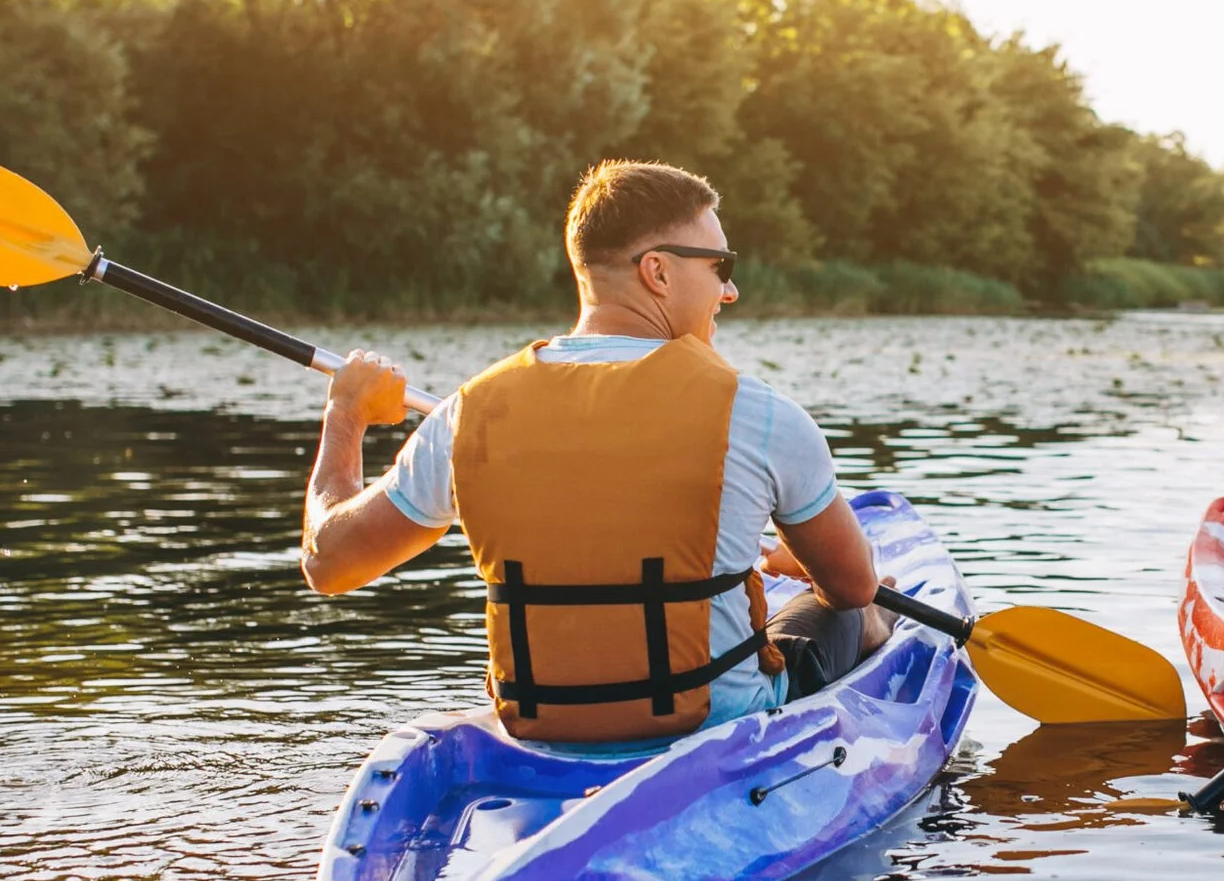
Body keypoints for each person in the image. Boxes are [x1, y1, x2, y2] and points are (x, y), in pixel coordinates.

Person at [296, 160, 891, 747]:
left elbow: (329, 563)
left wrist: (346, 413)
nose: (729, 290)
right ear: (657, 271)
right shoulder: (760, 413)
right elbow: (851, 584)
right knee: (853, 611)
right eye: (720, 267)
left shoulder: (470, 410)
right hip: (714, 723)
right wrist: (805, 566)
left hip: (542, 723)